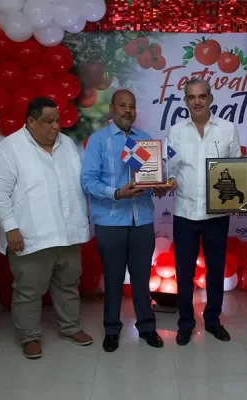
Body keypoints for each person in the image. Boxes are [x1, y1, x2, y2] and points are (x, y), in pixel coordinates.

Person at [0, 97, 93, 359]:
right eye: (48, 121)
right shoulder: (10, 148)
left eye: (57, 121)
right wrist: (10, 228)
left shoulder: (67, 144)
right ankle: (30, 336)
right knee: (28, 290)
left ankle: (70, 327)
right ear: (31, 122)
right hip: (30, 236)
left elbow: (81, 182)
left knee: (68, 284)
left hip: (68, 233)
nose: (55, 126)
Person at [81, 89, 166, 352]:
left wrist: (159, 186)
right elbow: (87, 182)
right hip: (110, 221)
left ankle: (147, 327)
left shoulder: (145, 140)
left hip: (142, 219)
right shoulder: (98, 141)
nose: (128, 111)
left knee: (142, 278)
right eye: (122, 105)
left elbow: (151, 178)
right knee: (114, 278)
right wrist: (116, 193)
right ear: (111, 109)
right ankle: (111, 329)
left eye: (131, 106)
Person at [165, 77, 242, 345]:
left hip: (216, 214)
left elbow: (236, 168)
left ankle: (213, 320)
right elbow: (170, 168)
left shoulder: (228, 129)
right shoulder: (176, 131)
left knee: (216, 269)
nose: (197, 101)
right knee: (184, 271)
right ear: (185, 101)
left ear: (210, 98)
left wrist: (238, 198)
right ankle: (185, 323)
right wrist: (169, 180)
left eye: (202, 96)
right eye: (191, 97)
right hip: (184, 212)